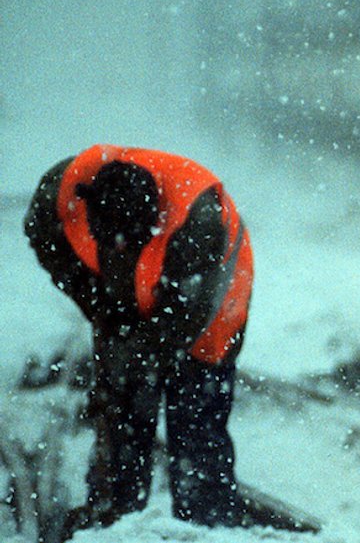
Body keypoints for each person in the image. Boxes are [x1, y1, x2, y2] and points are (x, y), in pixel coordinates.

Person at [24, 144, 253, 534]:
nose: (118, 249)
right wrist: (96, 303)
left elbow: (182, 321)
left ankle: (208, 524)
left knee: (196, 415)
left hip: (211, 303)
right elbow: (45, 240)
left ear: (153, 221)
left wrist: (133, 357)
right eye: (109, 241)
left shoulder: (201, 219)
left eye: (128, 241)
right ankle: (113, 519)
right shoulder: (59, 194)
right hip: (125, 295)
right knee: (120, 413)